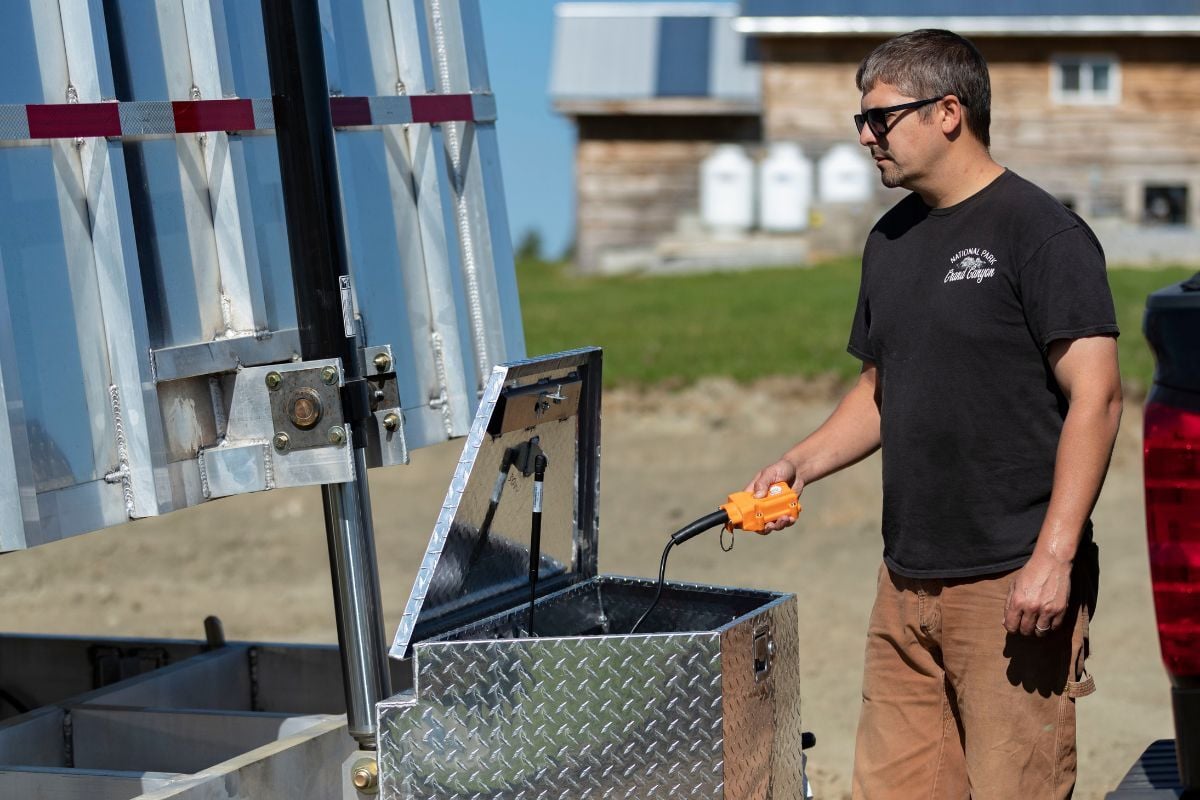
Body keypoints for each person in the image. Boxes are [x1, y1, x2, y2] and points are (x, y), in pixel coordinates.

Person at [745, 29, 1122, 799]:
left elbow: (1099, 397)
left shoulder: (1040, 232)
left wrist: (1053, 557)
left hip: (1012, 585)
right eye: (861, 119)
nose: (864, 136)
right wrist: (798, 464)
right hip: (905, 582)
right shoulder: (890, 240)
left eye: (880, 117)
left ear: (949, 111)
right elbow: (882, 389)